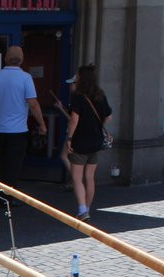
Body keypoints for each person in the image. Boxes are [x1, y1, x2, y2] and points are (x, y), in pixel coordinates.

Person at [0, 45, 47, 195]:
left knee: (2, 163)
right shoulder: (25, 78)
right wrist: (42, 124)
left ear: (5, 58)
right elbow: (33, 104)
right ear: (21, 60)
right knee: (14, 165)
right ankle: (8, 197)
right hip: (18, 130)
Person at [66, 64, 113, 221]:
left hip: (80, 140)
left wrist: (70, 138)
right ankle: (87, 208)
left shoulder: (78, 96)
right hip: (96, 140)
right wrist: (99, 126)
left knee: (77, 177)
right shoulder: (100, 95)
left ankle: (82, 209)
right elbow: (108, 116)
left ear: (81, 78)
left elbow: (74, 119)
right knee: (90, 177)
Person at [51, 74, 76, 188]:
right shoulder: (78, 98)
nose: (70, 86)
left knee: (64, 156)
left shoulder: (77, 99)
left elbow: (72, 119)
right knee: (73, 158)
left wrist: (61, 108)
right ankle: (75, 180)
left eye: (72, 84)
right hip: (77, 132)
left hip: (73, 131)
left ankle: (77, 179)